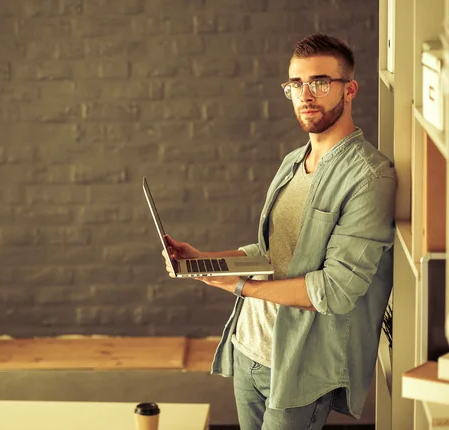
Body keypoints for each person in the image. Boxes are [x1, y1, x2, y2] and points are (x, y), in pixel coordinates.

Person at [162, 33, 396, 430]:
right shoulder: (293, 161)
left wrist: (238, 285)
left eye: (320, 83)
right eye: (295, 84)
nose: (306, 95)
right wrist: (202, 259)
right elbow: (273, 252)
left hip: (298, 368)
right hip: (248, 348)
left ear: (350, 89)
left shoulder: (370, 176)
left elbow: (334, 291)